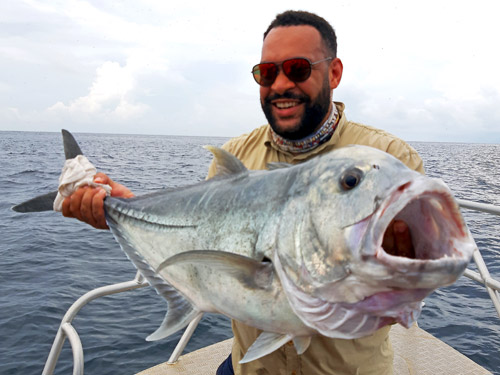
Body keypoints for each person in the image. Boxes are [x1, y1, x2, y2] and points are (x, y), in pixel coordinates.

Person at [62, 10, 424, 375]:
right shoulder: (234, 157)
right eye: (267, 73)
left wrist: (398, 280)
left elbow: (411, 289)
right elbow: (197, 249)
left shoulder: (390, 162)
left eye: (297, 69)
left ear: (333, 72)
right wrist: (123, 210)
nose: (281, 84)